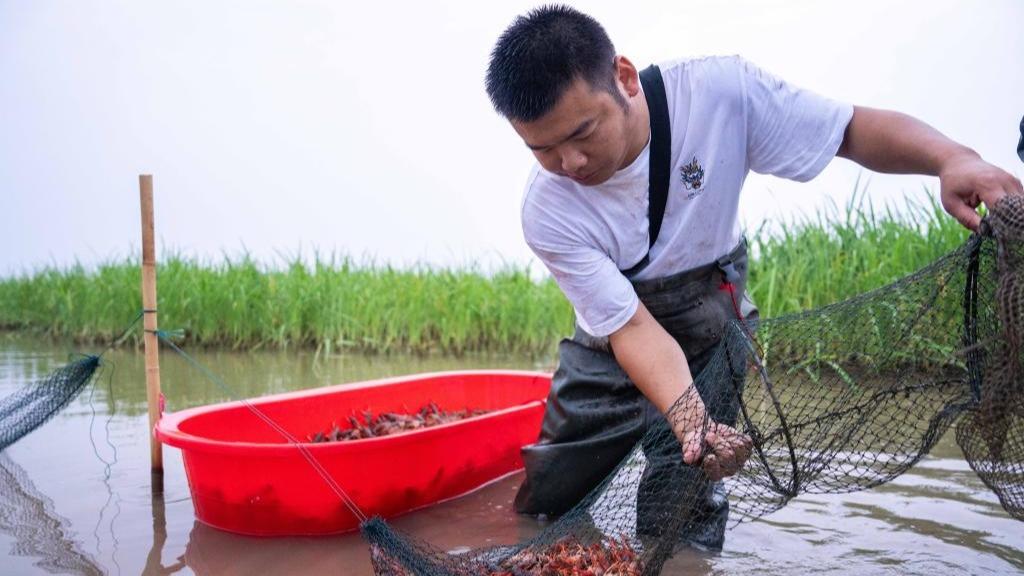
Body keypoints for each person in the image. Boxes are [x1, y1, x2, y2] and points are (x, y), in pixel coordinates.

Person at [484, 5, 1024, 550]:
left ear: (624, 79)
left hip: (708, 320)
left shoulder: (719, 94)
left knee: (684, 504)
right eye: (543, 149)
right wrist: (686, 412)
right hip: (612, 339)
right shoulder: (547, 210)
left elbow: (848, 130)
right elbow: (630, 329)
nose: (570, 163)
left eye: (582, 133)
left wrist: (952, 158)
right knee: (548, 500)